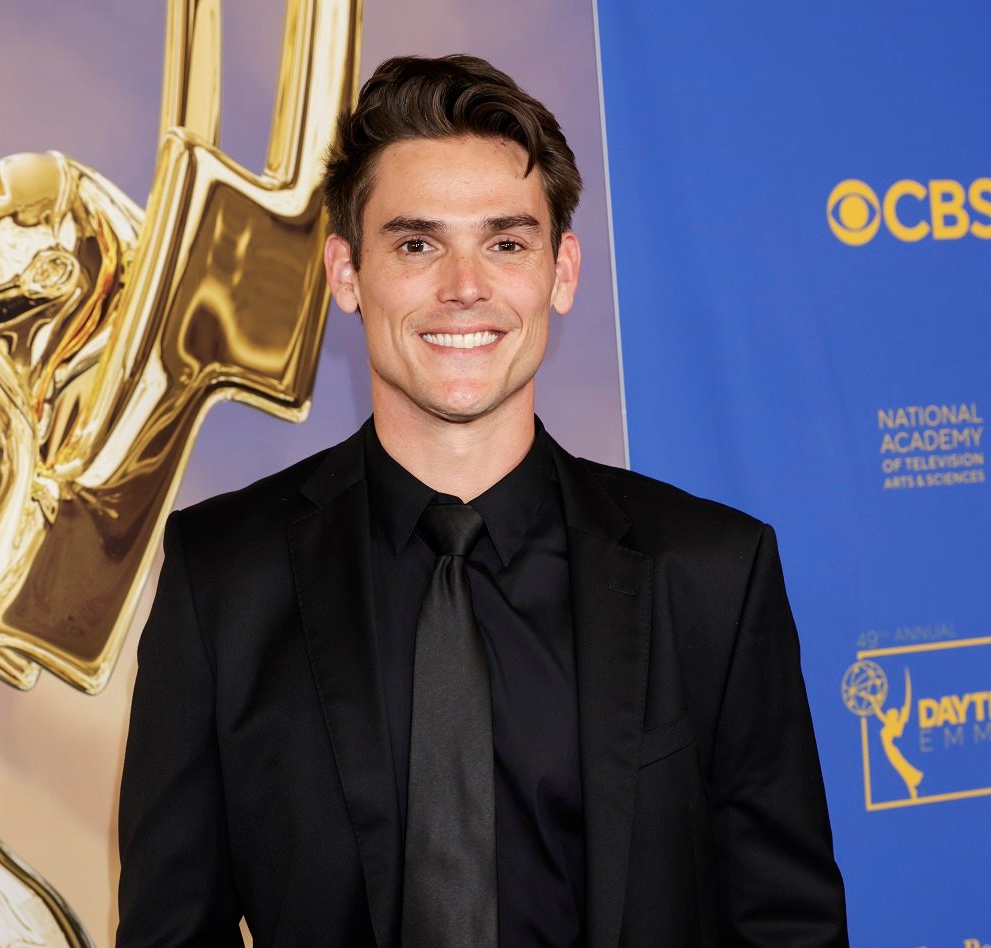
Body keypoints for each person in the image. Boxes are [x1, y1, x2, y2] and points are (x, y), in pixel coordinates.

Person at [116, 54, 848, 946]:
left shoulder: (709, 575)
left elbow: (788, 928)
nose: (464, 287)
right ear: (346, 275)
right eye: (417, 244)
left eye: (505, 242)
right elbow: (168, 930)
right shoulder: (222, 578)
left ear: (561, 270)